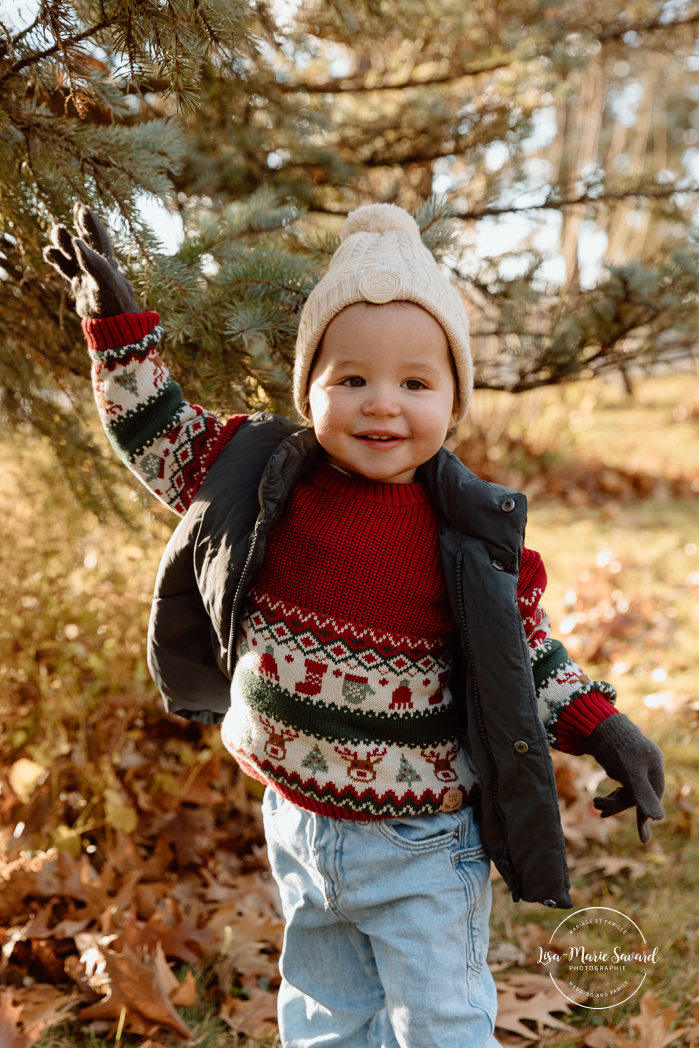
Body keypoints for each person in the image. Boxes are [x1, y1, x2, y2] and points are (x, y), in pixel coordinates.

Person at [44, 202, 666, 1048]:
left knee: (439, 1021)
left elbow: (527, 653)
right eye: (350, 379)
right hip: (297, 819)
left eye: (415, 383)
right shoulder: (263, 478)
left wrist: (603, 726)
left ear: (454, 399)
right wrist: (119, 336)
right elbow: (158, 435)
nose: (382, 405)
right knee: (326, 1015)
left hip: (421, 840)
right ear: (310, 388)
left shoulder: (466, 534)